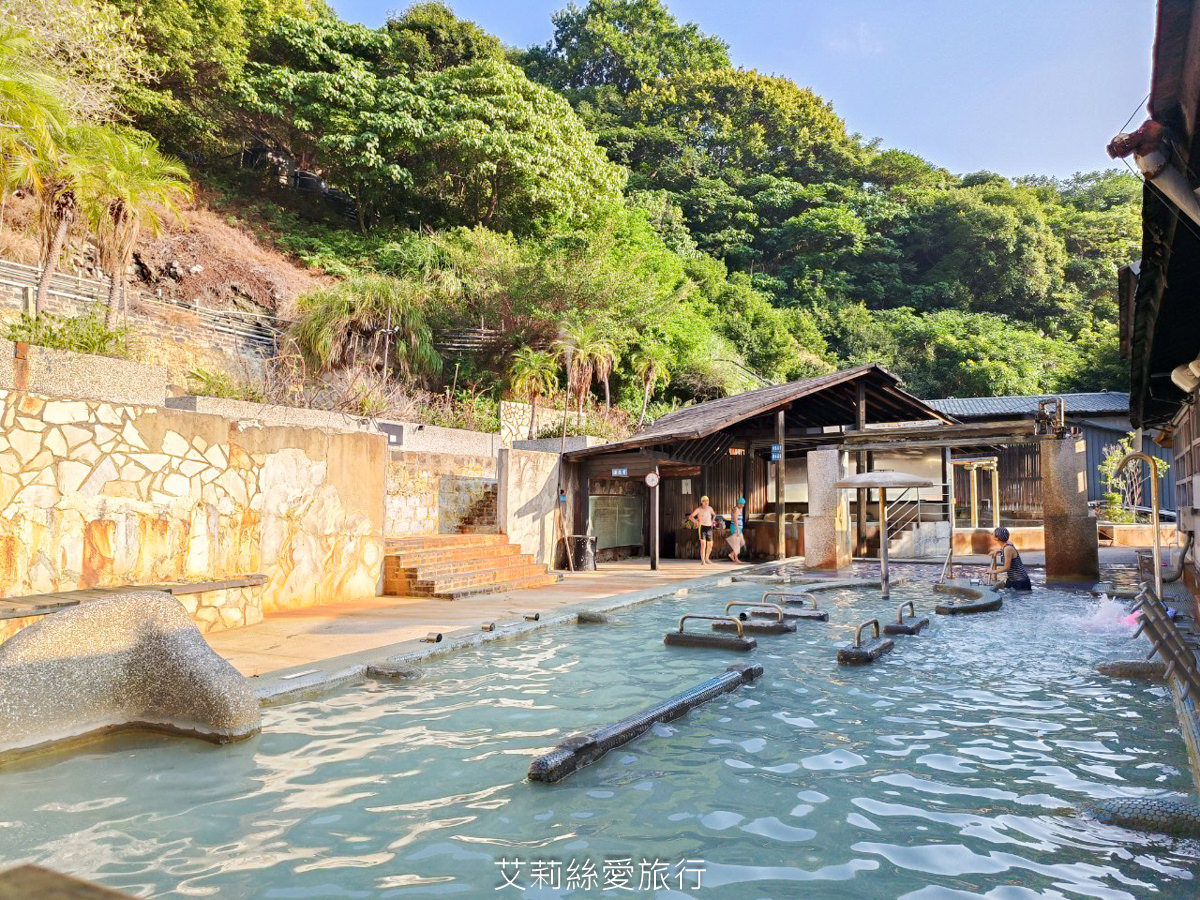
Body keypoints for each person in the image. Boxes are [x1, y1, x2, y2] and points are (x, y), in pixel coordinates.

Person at [988, 526, 1032, 591]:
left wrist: (993, 571)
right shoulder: (1007, 544)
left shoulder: (1007, 549)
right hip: (1013, 579)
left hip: (1020, 581)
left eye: (993, 534)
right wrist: (998, 551)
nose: (991, 534)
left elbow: (1006, 567)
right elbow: (1006, 551)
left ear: (997, 538)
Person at [689, 495, 719, 565]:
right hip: (702, 527)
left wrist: (713, 521)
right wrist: (697, 522)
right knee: (703, 544)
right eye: (704, 501)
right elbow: (691, 517)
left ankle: (707, 558)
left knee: (710, 546)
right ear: (701, 502)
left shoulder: (710, 508)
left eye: (707, 501)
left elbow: (714, 514)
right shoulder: (699, 509)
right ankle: (703, 560)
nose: (706, 503)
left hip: (709, 528)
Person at [725, 497, 747, 563]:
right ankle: (736, 559)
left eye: (743, 504)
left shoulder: (740, 509)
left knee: (742, 543)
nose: (743, 506)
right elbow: (735, 520)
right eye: (742, 504)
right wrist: (737, 530)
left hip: (739, 528)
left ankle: (732, 554)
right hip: (735, 528)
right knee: (736, 544)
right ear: (739, 503)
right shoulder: (735, 509)